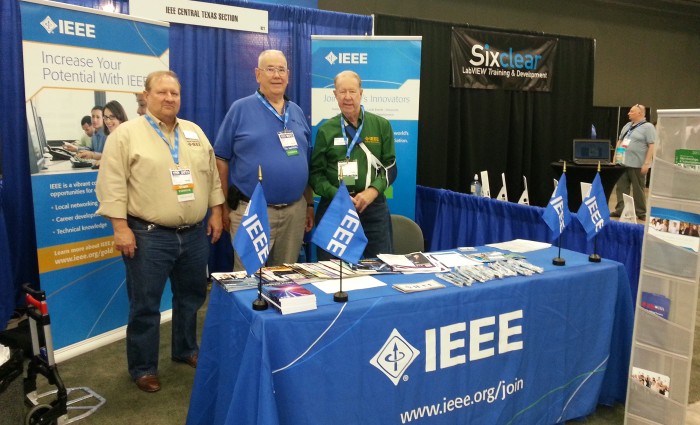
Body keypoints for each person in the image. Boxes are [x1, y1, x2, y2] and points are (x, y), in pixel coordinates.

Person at [95, 70, 224, 393]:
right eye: (162, 92)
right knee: (145, 305)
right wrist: (120, 227)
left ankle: (185, 349)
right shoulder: (125, 135)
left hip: (193, 234)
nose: (169, 98)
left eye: (174, 93)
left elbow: (211, 176)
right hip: (148, 235)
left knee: (191, 297)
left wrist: (216, 212)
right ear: (146, 96)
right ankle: (143, 368)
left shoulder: (194, 132)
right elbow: (111, 183)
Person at [214, 49, 313, 270]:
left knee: (285, 279)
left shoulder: (296, 112)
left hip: (294, 212)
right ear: (258, 74)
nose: (277, 75)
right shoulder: (240, 109)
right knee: (249, 279)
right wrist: (222, 206)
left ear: (288, 76)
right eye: (270, 69)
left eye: (281, 70)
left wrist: (308, 204)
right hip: (252, 211)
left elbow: (305, 161)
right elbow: (221, 159)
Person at [309, 70, 396, 260]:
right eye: (342, 92)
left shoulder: (381, 125)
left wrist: (372, 191)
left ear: (361, 93)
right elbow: (316, 175)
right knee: (332, 270)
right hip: (336, 207)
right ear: (335, 95)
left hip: (372, 207)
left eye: (352, 91)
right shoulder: (326, 130)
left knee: (381, 265)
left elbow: (391, 167)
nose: (347, 97)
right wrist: (337, 195)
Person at [611, 104, 655, 220]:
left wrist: (647, 163)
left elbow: (652, 145)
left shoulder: (648, 127)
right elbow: (619, 141)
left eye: (631, 111)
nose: (628, 113)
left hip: (637, 164)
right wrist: (615, 158)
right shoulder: (627, 125)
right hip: (622, 163)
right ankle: (620, 210)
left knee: (638, 189)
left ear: (640, 113)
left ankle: (641, 212)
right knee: (621, 188)